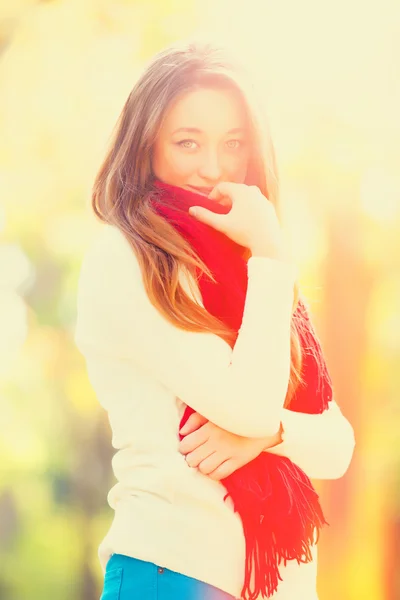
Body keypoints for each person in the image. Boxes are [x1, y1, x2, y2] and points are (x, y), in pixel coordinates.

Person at [74, 40, 355, 600]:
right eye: (187, 143)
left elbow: (338, 444)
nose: (213, 168)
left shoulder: (256, 273)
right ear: (146, 147)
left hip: (278, 587)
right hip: (173, 573)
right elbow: (248, 404)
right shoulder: (129, 259)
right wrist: (274, 256)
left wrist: (270, 434)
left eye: (233, 144)